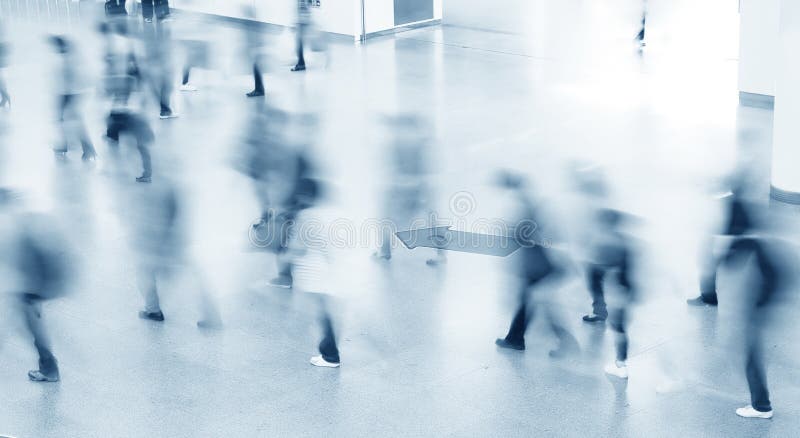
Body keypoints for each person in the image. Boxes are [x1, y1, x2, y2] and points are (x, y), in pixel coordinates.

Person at [494, 172, 579, 357]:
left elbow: (528, 235)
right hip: (538, 264)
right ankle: (515, 338)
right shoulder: (533, 204)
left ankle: (566, 343)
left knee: (540, 302)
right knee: (529, 301)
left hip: (539, 265)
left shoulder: (526, 207)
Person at [0, 205, 72, 383]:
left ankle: (50, 369)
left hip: (25, 287)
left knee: (31, 326)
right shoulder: (17, 218)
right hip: (28, 286)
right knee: (26, 324)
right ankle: (49, 368)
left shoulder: (8, 225)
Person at [100, 21, 155, 182]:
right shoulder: (132, 68)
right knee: (138, 144)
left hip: (127, 113)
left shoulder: (127, 70)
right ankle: (146, 173)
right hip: (129, 112)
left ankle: (114, 167)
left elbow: (124, 89)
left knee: (118, 139)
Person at [595, 209, 637, 379]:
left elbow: (603, 268)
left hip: (616, 289)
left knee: (618, 328)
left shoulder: (609, 244)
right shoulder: (623, 241)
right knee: (619, 327)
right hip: (625, 288)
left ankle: (621, 364)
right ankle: (620, 362)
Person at [49, 35, 97, 161]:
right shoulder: (71, 56)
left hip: (68, 94)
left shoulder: (66, 59)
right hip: (69, 94)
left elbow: (72, 78)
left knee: (71, 122)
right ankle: (73, 147)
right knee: (67, 121)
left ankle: (87, 149)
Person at [291, 0, 312, 72]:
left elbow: (304, 8)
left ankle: (301, 64)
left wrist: (297, 22)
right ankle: (301, 63)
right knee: (299, 45)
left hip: (302, 22)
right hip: (302, 22)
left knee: (299, 45)